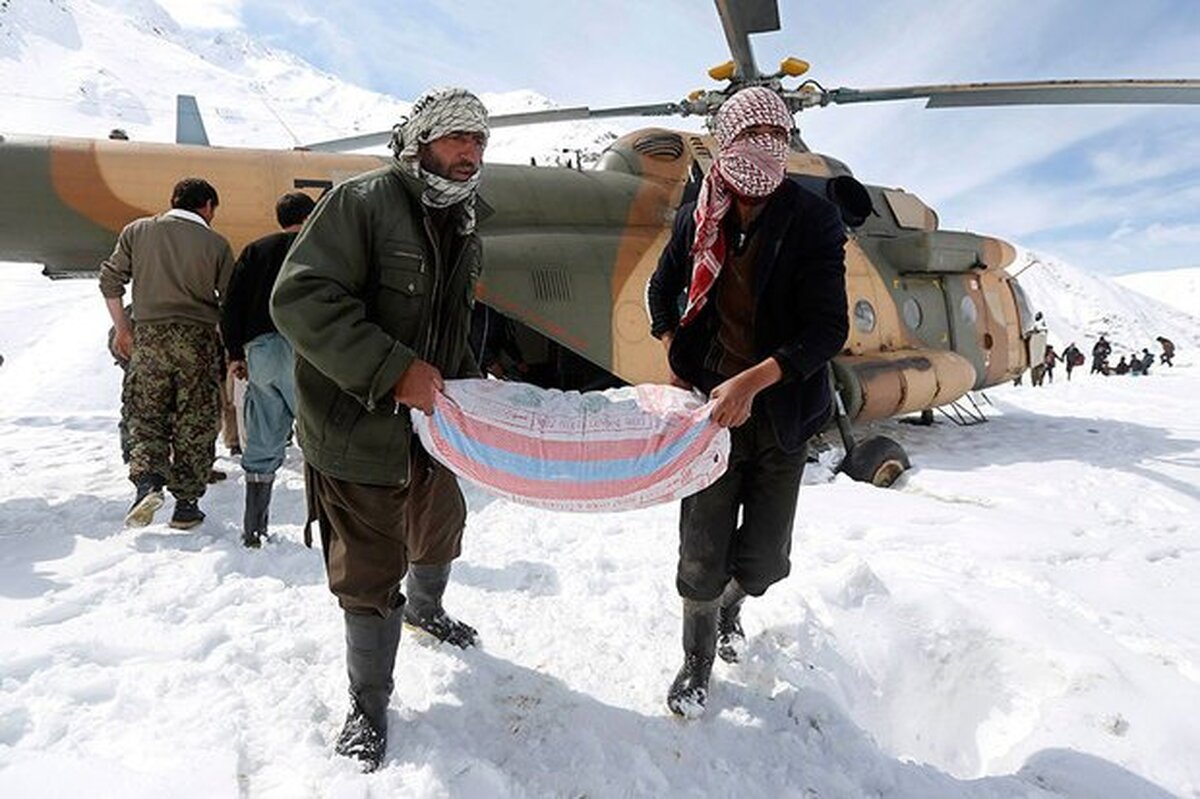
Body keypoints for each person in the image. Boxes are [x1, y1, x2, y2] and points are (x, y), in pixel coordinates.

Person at [271, 87, 490, 771]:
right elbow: (300, 299)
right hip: (356, 427)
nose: (471, 152)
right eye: (457, 137)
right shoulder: (362, 203)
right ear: (421, 140)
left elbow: (448, 328)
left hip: (432, 428)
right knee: (367, 571)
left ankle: (426, 609)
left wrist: (473, 389)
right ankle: (368, 702)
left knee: (440, 528)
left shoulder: (461, 221)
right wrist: (394, 370)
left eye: (480, 141)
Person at [645, 87, 848, 719]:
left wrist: (754, 381)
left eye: (777, 136)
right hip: (710, 417)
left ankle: (737, 601)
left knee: (764, 562)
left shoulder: (813, 219)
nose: (766, 149)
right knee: (701, 553)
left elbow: (827, 329)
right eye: (752, 135)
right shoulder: (698, 215)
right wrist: (675, 348)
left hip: (781, 414)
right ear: (725, 143)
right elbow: (663, 287)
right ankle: (698, 659)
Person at [100, 177, 234, 529]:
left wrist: (124, 330)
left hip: (149, 338)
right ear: (207, 206)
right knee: (196, 420)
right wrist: (230, 351)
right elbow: (230, 304)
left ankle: (148, 483)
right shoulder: (217, 244)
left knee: (146, 415)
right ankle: (187, 506)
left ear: (173, 200)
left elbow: (110, 281)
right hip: (197, 342)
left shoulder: (138, 231)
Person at [220, 191, 316, 548]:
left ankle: (254, 530)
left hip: (259, 351)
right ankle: (328, 527)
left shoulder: (255, 250)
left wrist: (234, 354)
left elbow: (231, 305)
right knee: (317, 433)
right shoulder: (318, 246)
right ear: (309, 217)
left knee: (262, 433)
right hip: (307, 349)